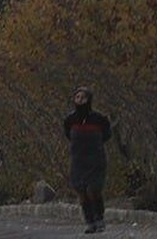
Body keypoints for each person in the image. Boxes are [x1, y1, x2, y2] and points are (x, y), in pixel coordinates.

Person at [63, 86, 111, 234]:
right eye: (77, 97)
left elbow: (107, 135)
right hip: (78, 160)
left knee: (93, 189)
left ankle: (99, 218)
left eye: (83, 98)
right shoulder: (70, 119)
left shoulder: (99, 118)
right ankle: (89, 221)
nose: (80, 100)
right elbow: (68, 134)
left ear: (89, 99)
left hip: (95, 159)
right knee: (81, 191)